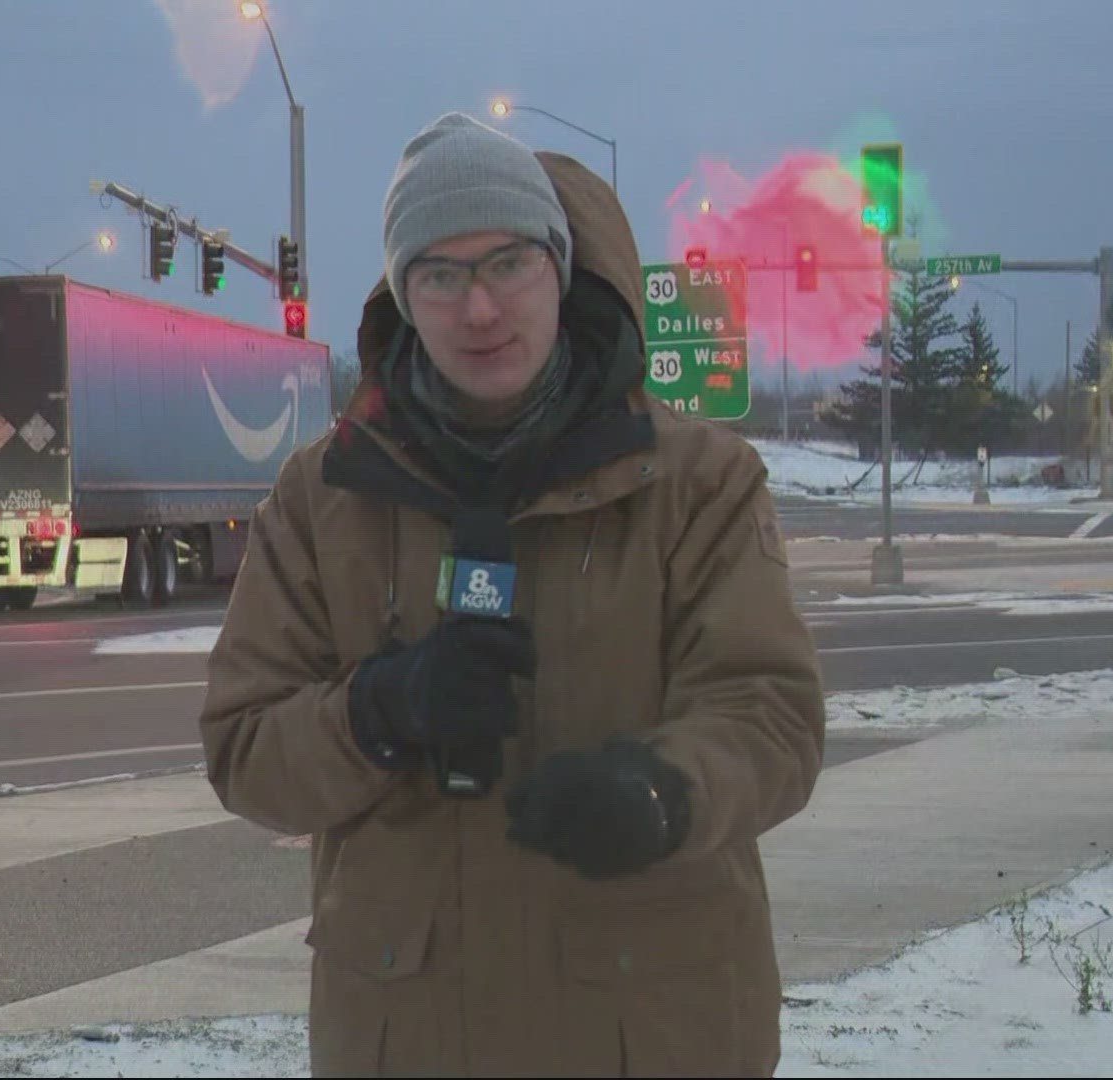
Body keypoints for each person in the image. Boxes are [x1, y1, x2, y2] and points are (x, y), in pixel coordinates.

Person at [198, 111, 826, 1077]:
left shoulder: (699, 482)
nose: (478, 309)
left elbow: (771, 716)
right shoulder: (324, 499)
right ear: (403, 295)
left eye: (507, 263)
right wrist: (378, 711)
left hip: (650, 1032)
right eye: (439, 275)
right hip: (409, 1039)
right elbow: (246, 748)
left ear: (560, 267)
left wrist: (664, 793)